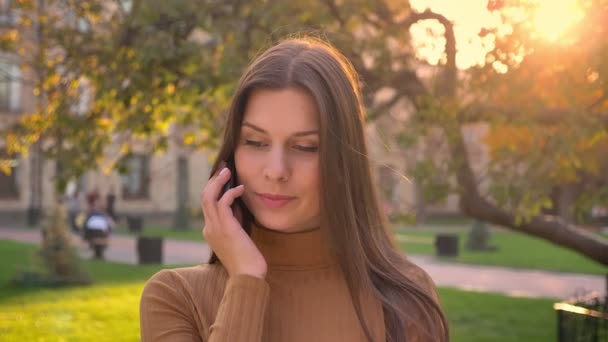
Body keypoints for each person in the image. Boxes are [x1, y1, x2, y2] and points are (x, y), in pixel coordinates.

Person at [140, 37, 449, 342]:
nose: (276, 171)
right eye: (255, 142)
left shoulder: (405, 302)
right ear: (232, 152)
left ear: (343, 162)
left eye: (305, 147)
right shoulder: (176, 298)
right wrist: (246, 280)